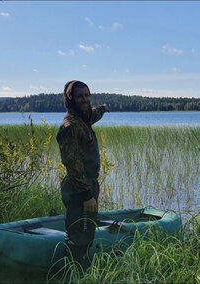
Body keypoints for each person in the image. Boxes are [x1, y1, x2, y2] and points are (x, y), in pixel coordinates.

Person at [56, 80, 109, 269]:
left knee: (87, 234)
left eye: (87, 95)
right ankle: (74, 271)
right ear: (70, 99)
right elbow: (73, 165)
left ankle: (82, 269)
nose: (85, 99)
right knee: (79, 234)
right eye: (80, 96)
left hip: (88, 185)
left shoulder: (82, 119)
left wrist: (103, 108)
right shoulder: (70, 127)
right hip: (79, 189)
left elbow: (92, 114)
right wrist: (87, 196)